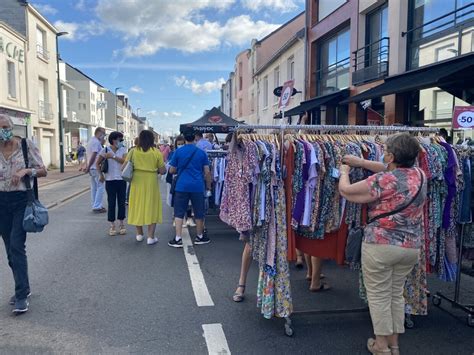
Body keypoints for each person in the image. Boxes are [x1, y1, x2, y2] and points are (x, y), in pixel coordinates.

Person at [339, 133, 427, 355]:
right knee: (396, 295)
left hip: (381, 245)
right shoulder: (420, 175)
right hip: (410, 247)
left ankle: (380, 346)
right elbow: (389, 171)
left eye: (386, 150)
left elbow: (347, 192)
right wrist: (361, 162)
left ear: (391, 155)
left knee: (378, 296)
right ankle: (394, 345)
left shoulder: (383, 180)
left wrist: (344, 173)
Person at [0, 114, 47, 314]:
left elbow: (43, 170)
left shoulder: (26, 145)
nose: (3, 130)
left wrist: (27, 171)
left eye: (4, 126)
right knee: (10, 250)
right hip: (1, 202)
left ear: (11, 127)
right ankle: (24, 287)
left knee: (17, 246)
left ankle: (20, 296)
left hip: (21, 202)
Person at [168, 129, 212, 247]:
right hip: (197, 186)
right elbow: (207, 172)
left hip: (181, 185)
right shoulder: (201, 153)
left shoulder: (178, 152)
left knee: (179, 211)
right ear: (195, 138)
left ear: (184, 138)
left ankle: (178, 238)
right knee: (199, 212)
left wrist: (180, 169)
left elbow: (172, 170)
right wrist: (208, 186)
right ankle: (199, 236)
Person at [125, 130, 166, 245]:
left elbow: (123, 167)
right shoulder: (156, 152)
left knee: (137, 206)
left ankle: (139, 234)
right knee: (151, 207)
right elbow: (163, 171)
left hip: (136, 182)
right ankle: (151, 237)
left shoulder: (133, 151)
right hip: (151, 181)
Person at [96, 131, 127, 236]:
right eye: (120, 139)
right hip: (110, 180)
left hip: (122, 179)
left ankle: (122, 224)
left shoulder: (123, 149)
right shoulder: (105, 150)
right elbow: (97, 163)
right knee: (112, 202)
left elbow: (125, 161)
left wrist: (113, 156)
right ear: (114, 140)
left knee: (122, 202)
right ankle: (112, 225)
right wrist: (100, 175)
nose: (121, 141)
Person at [85, 127, 107, 213]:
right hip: (96, 167)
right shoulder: (96, 142)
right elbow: (94, 155)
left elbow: (88, 155)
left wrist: (88, 166)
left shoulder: (91, 141)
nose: (104, 136)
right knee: (100, 187)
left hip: (92, 168)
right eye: (103, 133)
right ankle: (97, 206)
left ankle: (95, 204)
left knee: (94, 187)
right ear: (99, 133)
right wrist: (88, 166)